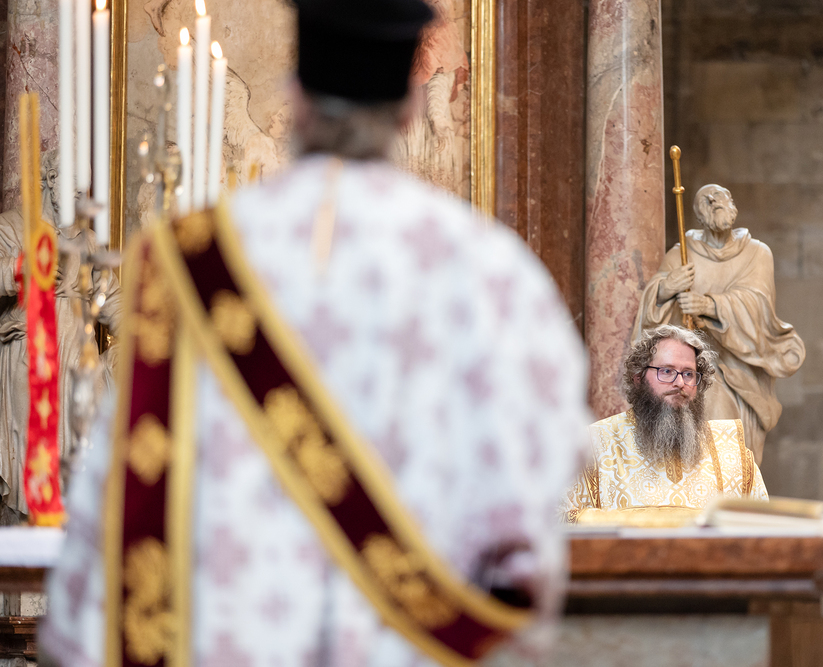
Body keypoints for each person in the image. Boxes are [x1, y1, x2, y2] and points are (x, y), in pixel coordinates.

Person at [41, 0, 591, 665]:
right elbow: (530, 515)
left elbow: (121, 504)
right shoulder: (494, 273)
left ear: (297, 100)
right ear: (410, 108)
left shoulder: (184, 263)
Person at [630, 184, 805, 463]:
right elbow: (649, 322)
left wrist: (709, 305)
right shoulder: (682, 254)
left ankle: (724, 489)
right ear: (698, 215)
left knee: (727, 438)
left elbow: (758, 309)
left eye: (720, 197)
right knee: (704, 419)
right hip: (691, 369)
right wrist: (665, 289)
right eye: (706, 200)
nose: (714, 201)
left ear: (732, 204)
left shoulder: (757, 253)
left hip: (736, 369)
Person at [0, 149, 121, 522]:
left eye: (82, 191)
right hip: (30, 351)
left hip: (78, 354)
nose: (78, 198)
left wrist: (139, 335)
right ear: (50, 180)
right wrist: (20, 268)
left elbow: (114, 298)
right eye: (72, 189)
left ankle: (72, 531)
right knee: (35, 448)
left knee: (81, 444)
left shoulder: (87, 242)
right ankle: (27, 539)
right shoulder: (13, 226)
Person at [566, 325, 766, 520]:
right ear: (638, 377)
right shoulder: (595, 444)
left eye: (688, 374)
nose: (680, 383)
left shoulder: (732, 452)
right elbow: (561, 517)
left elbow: (763, 525)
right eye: (667, 371)